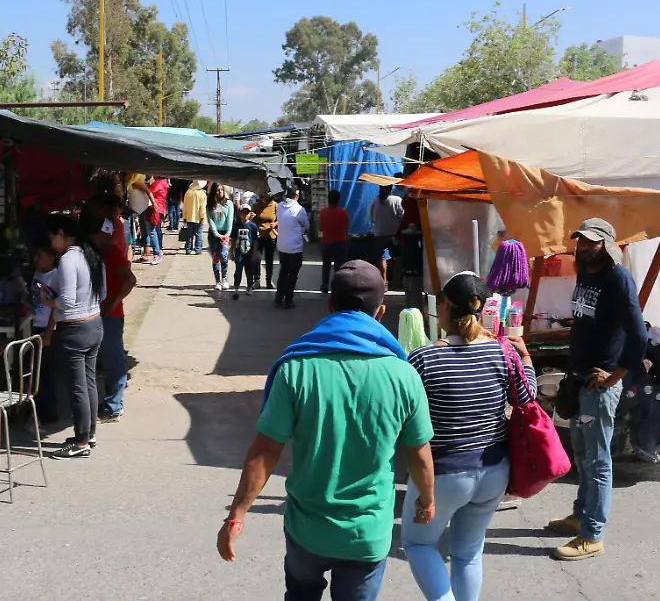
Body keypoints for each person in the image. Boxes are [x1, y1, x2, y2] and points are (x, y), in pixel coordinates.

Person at [217, 260, 437, 601]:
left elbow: (264, 453)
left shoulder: (296, 369)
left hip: (308, 532)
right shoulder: (403, 375)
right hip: (367, 534)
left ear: (330, 306)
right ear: (380, 312)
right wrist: (426, 500)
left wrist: (236, 517)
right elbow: (419, 455)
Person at [402, 273, 537, 601]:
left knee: (419, 544)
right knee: (468, 553)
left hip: (445, 474)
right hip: (493, 472)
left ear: (444, 307)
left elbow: (401, 416)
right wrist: (527, 357)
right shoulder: (503, 352)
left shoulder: (423, 359)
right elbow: (528, 397)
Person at [548, 217, 647, 561]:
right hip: (578, 381)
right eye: (580, 241)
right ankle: (580, 515)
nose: (582, 246)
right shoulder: (585, 272)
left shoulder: (618, 279)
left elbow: (639, 336)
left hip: (598, 388)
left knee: (598, 459)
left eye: (590, 242)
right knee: (581, 454)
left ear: (606, 244)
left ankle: (593, 534)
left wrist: (614, 377)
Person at [45, 215, 107, 460]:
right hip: (95, 324)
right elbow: (102, 293)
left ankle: (81, 441)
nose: (52, 245)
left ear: (60, 233)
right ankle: (88, 434)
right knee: (89, 383)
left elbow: (67, 301)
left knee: (78, 386)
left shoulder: (69, 259)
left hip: (75, 329)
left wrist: (48, 301)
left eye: (52, 239)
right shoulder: (91, 253)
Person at [94, 211, 137, 423]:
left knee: (113, 361)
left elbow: (130, 280)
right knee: (107, 360)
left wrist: (112, 303)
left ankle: (113, 406)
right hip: (104, 313)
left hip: (110, 315)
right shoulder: (102, 252)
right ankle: (110, 403)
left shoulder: (110, 253)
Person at [29, 244, 60, 426]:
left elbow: (55, 309)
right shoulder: (38, 273)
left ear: (50, 257)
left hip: (46, 329)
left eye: (40, 255)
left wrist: (48, 333)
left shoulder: (55, 277)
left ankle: (48, 414)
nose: (36, 260)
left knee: (45, 374)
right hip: (33, 325)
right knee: (35, 372)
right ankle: (37, 410)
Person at [274, 187, 309, 309]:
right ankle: (288, 299)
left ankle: (279, 296)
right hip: (294, 247)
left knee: (283, 271)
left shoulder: (280, 206)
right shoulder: (300, 209)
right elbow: (307, 225)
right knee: (292, 275)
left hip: (282, 246)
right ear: (297, 196)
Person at [369, 184, 405, 285]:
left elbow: (371, 218)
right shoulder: (397, 200)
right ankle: (398, 281)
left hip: (380, 233)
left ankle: (384, 281)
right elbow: (403, 216)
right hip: (395, 234)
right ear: (390, 189)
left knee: (383, 259)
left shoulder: (375, 201)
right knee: (399, 257)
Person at [318, 190, 350, 294]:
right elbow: (346, 228)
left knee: (326, 265)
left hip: (327, 242)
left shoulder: (323, 212)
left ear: (328, 199)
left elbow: (320, 228)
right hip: (340, 242)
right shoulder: (344, 213)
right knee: (339, 266)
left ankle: (325, 285)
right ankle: (337, 286)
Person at [207, 183, 234, 290]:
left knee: (224, 255)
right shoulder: (210, 204)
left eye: (221, 190)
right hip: (214, 233)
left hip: (225, 233)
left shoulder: (229, 204)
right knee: (216, 256)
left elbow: (230, 219)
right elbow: (210, 219)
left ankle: (225, 278)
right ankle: (217, 281)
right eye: (217, 190)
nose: (220, 192)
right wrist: (216, 233)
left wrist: (227, 233)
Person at [231, 205, 259, 299]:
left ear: (250, 213)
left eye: (247, 213)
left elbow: (255, 240)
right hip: (239, 251)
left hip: (249, 252)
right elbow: (233, 239)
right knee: (238, 269)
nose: (245, 215)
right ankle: (236, 288)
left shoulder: (253, 226)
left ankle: (249, 286)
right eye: (243, 212)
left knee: (249, 270)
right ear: (239, 213)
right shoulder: (236, 225)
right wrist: (231, 252)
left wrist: (255, 252)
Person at [253, 193, 280, 288]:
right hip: (259, 235)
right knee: (257, 259)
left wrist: (275, 224)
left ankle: (268, 281)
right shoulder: (256, 206)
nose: (263, 200)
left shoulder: (275, 205)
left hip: (271, 236)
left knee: (269, 260)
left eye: (265, 198)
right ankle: (256, 280)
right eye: (262, 198)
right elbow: (251, 219)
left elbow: (280, 218)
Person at [183, 180, 208, 255]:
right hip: (198, 217)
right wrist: (202, 217)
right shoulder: (202, 194)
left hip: (189, 217)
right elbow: (202, 207)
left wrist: (184, 217)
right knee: (198, 234)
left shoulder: (188, 192)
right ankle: (198, 249)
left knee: (189, 234)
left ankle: (188, 249)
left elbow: (185, 206)